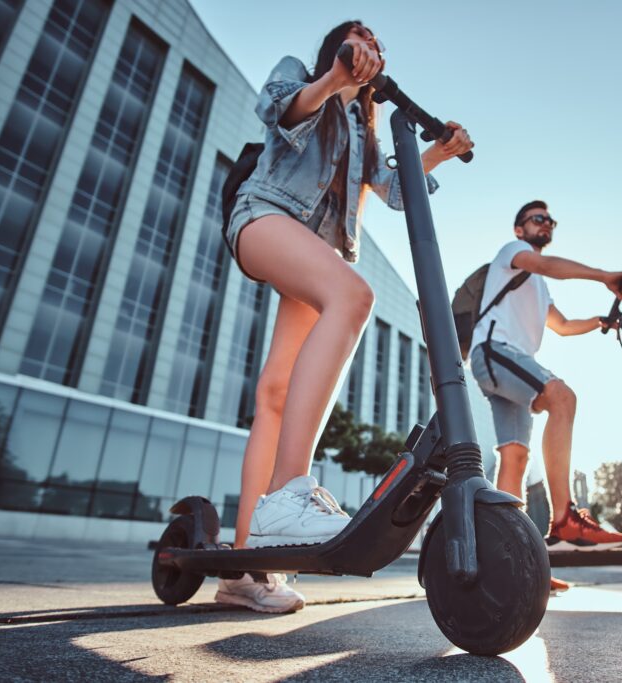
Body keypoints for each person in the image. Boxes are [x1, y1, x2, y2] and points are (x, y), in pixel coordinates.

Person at [214, 21, 473, 613]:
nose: (368, 43)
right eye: (357, 36)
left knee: (274, 394)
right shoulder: (303, 77)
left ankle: (246, 567)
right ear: (339, 46)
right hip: (263, 218)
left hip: (314, 250)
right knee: (355, 298)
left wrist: (441, 152)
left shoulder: (363, 127)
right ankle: (288, 493)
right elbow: (278, 110)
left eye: (376, 41)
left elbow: (394, 188)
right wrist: (335, 76)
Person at [468, 200, 622, 594]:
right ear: (519, 229)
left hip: (508, 363)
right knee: (562, 397)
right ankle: (564, 519)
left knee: (515, 457)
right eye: (537, 219)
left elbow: (560, 326)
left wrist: (600, 321)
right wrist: (604, 276)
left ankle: (511, 559)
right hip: (495, 351)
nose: (546, 224)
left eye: (550, 220)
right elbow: (545, 265)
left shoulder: (539, 288)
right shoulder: (513, 254)